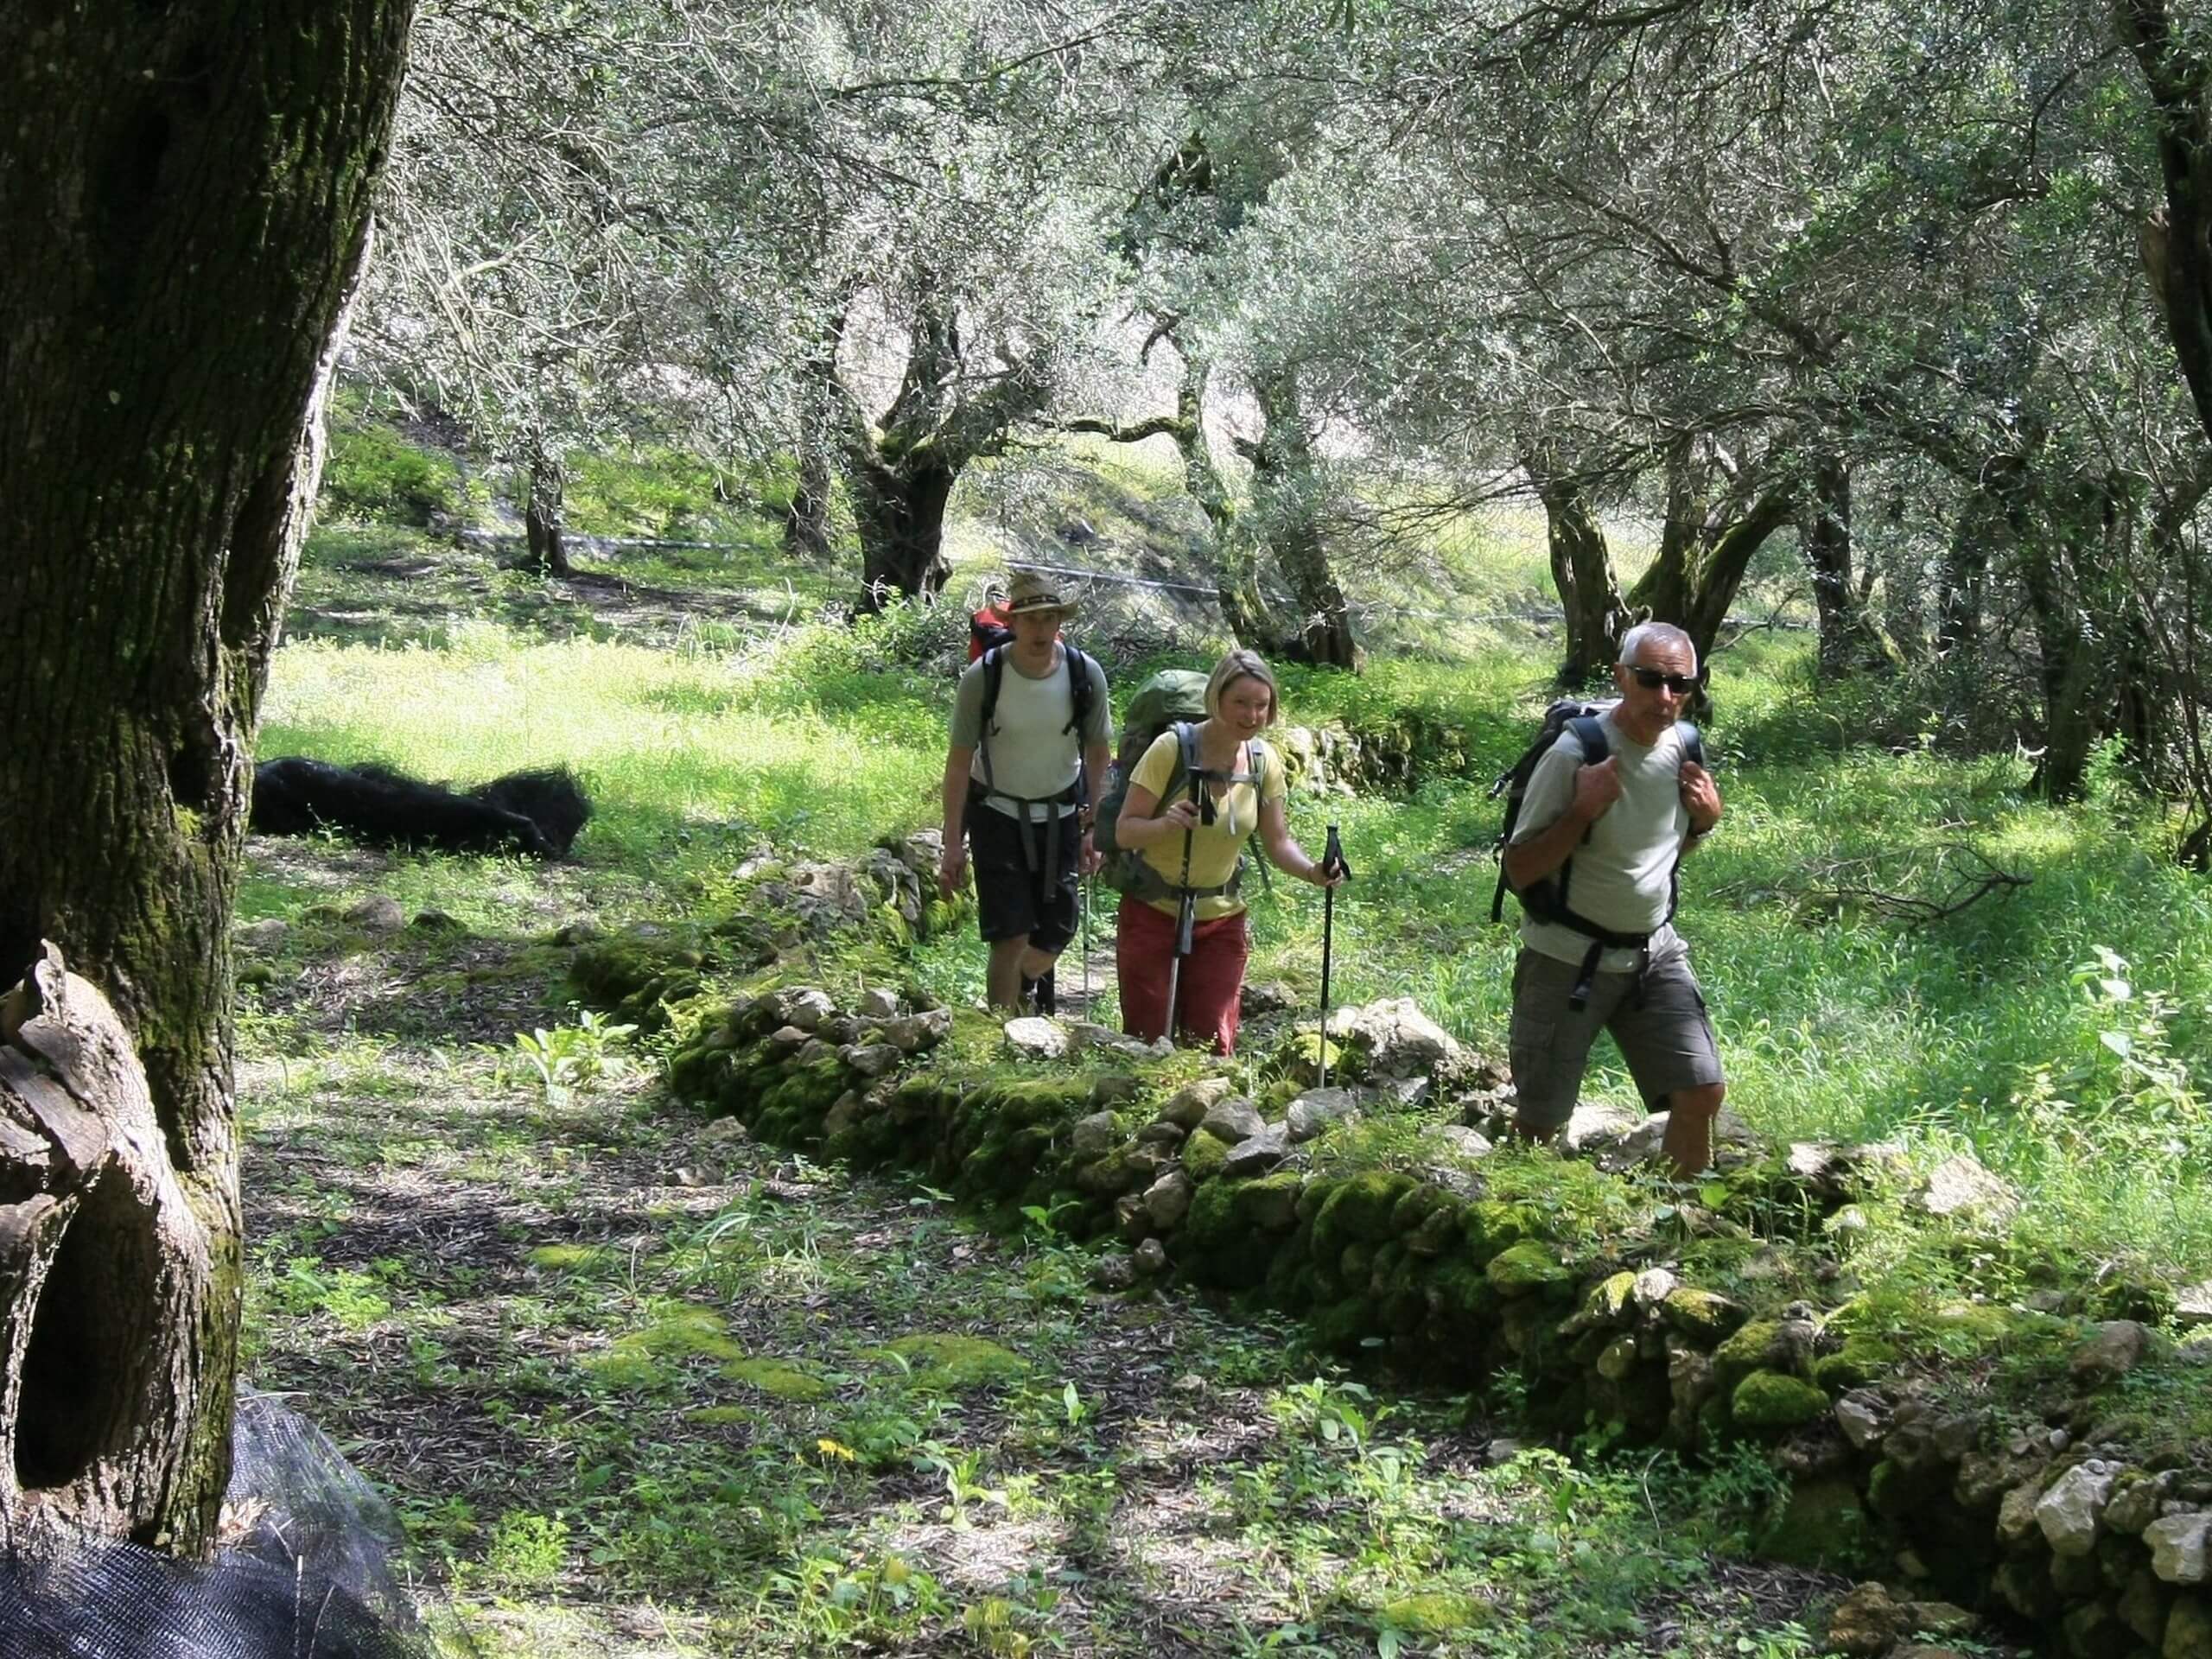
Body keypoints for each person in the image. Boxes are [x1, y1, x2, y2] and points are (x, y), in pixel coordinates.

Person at [1502, 621, 1726, 1178]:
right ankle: (1514, 1234)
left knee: (1701, 1093)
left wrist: (1705, 824)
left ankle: (1683, 1228)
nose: (1667, 697)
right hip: (1564, 958)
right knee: (1539, 1124)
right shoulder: (1576, 753)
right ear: (1622, 677)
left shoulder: (1687, 747)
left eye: (1682, 684)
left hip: (1655, 953)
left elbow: (1657, 855)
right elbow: (1518, 869)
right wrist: (1581, 811)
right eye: (1651, 680)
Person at [1113, 650, 1343, 1053]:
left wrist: (1314, 872)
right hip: (1153, 912)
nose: (1251, 715)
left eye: (1261, 705)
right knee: (1148, 1043)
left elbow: (1278, 841)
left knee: (1213, 1046)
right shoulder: (1171, 749)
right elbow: (1125, 831)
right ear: (1216, 698)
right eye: (1240, 702)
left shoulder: (1262, 760)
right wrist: (1165, 824)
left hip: (1221, 919)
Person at [939, 570, 1112, 1013]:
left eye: (1049, 618)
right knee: (1010, 931)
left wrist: (1097, 823)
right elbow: (959, 763)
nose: (1040, 629)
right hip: (996, 814)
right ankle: (999, 1032)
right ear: (1012, 623)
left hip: (1060, 815)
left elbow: (1097, 753)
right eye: (1031, 619)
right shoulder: (985, 676)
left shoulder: (1083, 673)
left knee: (1059, 928)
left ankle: (1016, 989)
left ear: (1061, 623)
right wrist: (952, 844)